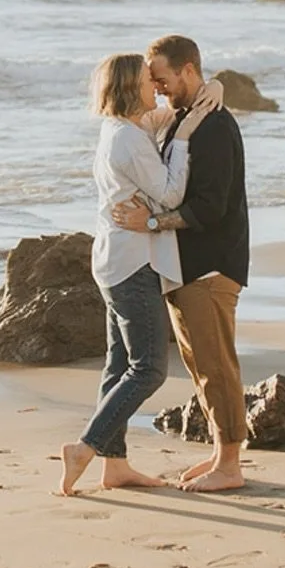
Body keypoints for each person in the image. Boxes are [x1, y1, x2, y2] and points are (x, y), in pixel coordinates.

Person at [58, 52, 222, 496]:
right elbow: (170, 194)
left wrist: (215, 89)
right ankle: (86, 447)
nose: (158, 88)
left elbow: (168, 114)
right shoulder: (128, 141)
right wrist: (186, 135)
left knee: (117, 367)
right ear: (132, 89)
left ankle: (115, 466)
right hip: (132, 263)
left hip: (114, 259)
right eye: (150, 82)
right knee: (148, 368)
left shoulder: (123, 129)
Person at [113, 34, 250, 494]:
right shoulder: (182, 119)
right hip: (186, 266)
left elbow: (210, 207)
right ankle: (219, 454)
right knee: (200, 367)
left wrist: (150, 221)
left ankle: (231, 465)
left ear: (188, 70)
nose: (159, 87)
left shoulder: (213, 127)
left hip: (212, 266)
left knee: (217, 365)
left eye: (164, 78)